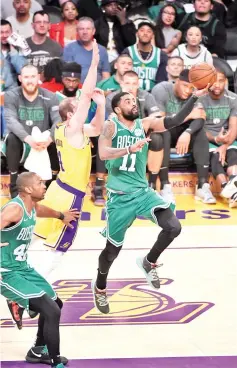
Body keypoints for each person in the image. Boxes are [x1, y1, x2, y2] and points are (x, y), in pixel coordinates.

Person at [91, 87, 208, 314]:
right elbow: (103, 154)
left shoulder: (145, 123)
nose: (133, 103)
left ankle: (149, 261)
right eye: (127, 101)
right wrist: (128, 148)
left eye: (134, 100)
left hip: (143, 193)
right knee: (111, 251)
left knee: (173, 227)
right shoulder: (111, 125)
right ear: (117, 108)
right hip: (120, 198)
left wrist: (194, 97)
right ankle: (100, 286)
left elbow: (174, 120)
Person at [0, 172, 80, 368]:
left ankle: (38, 350)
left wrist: (60, 215)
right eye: (40, 183)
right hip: (5, 273)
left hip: (23, 268)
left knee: (56, 303)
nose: (44, 185)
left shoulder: (31, 206)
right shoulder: (13, 209)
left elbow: (39, 210)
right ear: (27, 189)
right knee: (51, 310)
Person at [33, 40, 106, 272]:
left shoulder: (64, 130)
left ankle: (11, 266)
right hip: (70, 195)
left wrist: (101, 105)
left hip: (58, 187)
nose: (82, 107)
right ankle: (37, 289)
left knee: (39, 232)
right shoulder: (74, 127)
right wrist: (94, 64)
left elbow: (96, 129)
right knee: (60, 247)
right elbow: (85, 97)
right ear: (72, 114)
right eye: (78, 108)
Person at [152, 69, 216, 204]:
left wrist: (188, 132)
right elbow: (160, 121)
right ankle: (164, 185)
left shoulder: (196, 93)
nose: (188, 90)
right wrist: (189, 116)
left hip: (183, 132)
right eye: (185, 86)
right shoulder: (162, 89)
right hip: (165, 131)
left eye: (191, 88)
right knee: (164, 132)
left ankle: (202, 186)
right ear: (177, 81)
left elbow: (200, 117)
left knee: (200, 133)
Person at [3, 64, 61, 198]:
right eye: (26, 77)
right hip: (23, 141)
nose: (30, 80)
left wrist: (49, 139)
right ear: (20, 78)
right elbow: (11, 120)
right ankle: (14, 186)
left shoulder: (50, 96)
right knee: (11, 138)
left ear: (39, 78)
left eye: (33, 76)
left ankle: (50, 184)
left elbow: (58, 120)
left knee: (58, 136)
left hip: (44, 143)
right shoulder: (11, 95)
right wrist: (28, 139)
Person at [200, 68, 237, 208]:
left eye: (220, 81)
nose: (217, 84)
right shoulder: (201, 99)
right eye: (213, 81)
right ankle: (228, 188)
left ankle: (232, 184)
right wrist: (216, 140)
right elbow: (200, 127)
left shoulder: (233, 98)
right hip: (208, 139)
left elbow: (234, 127)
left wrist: (225, 145)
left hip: (228, 139)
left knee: (233, 154)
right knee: (215, 157)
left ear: (225, 82)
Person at [63, 17, 110, 83]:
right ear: (77, 31)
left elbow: (106, 75)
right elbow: (66, 75)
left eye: (88, 29)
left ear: (93, 31)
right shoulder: (69, 48)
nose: (85, 32)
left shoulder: (102, 50)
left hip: (97, 90)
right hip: (76, 89)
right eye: (81, 29)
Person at [124, 21, 168, 91]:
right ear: (137, 34)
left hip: (152, 97)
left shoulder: (161, 55)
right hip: (131, 93)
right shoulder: (128, 52)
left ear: (153, 36)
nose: (145, 33)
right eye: (142, 30)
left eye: (149, 31)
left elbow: (161, 82)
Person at [26, 11, 62, 77]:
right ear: (32, 25)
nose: (42, 25)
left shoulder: (56, 47)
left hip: (49, 85)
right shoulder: (23, 45)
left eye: (45, 22)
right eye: (38, 22)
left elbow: (58, 72)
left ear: (49, 25)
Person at [0, 19, 28, 91]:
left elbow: (22, 70)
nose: (4, 35)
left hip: (12, 91)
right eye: (1, 32)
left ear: (12, 33)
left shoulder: (19, 48)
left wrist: (13, 49)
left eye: (7, 32)